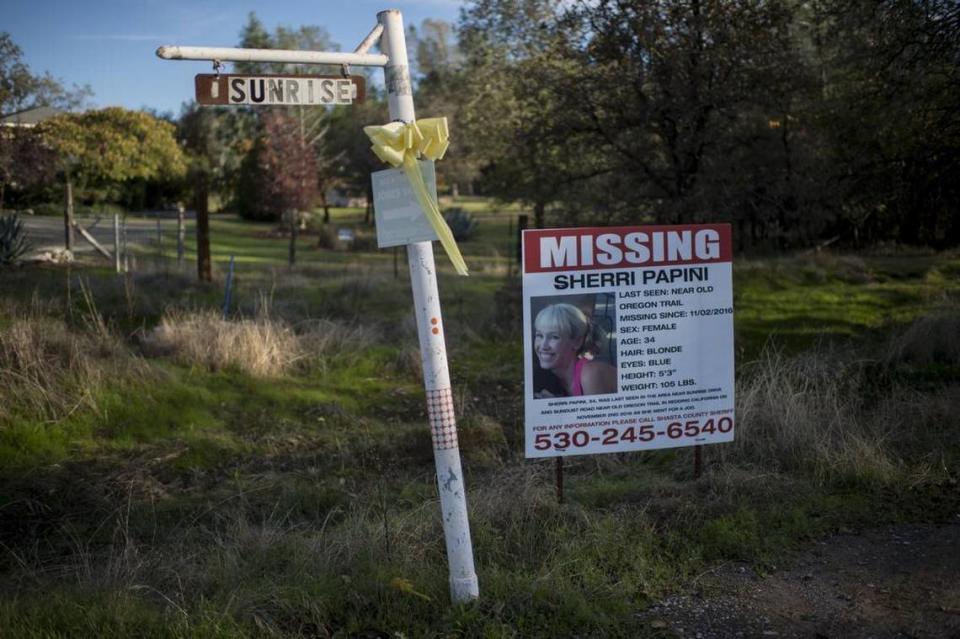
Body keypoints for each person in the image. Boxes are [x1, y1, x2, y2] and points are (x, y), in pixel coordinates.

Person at [533, 303, 617, 398]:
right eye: (539, 335)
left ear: (577, 342)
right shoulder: (551, 380)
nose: (543, 346)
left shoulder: (590, 375)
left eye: (554, 337)